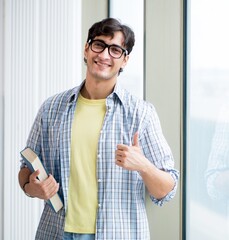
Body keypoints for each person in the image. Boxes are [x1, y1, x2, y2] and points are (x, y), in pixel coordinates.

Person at [18, 17, 179, 240]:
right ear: (87, 49)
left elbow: (167, 189)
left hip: (118, 234)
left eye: (115, 50)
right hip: (55, 232)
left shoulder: (141, 114)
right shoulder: (51, 108)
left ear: (125, 60)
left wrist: (143, 166)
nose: (104, 55)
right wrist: (30, 187)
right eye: (99, 45)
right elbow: (25, 169)